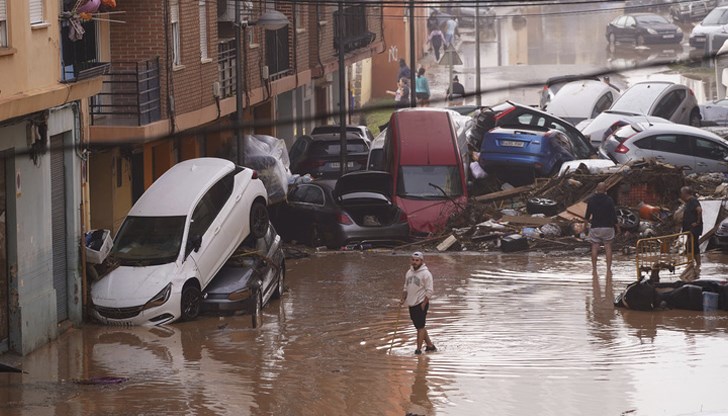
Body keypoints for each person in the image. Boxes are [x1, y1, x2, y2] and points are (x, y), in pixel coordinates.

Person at [400, 251, 436, 355]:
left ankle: (418, 350)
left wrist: (424, 304)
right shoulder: (409, 272)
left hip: (421, 303)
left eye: (417, 260)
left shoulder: (426, 274)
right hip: (411, 303)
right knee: (420, 326)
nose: (414, 262)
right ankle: (430, 346)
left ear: (421, 261)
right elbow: (405, 288)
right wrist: (403, 299)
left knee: (420, 327)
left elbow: (430, 290)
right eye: (413, 260)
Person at [585, 182, 619, 277]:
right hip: (608, 227)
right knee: (608, 247)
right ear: (605, 189)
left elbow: (587, 216)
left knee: (594, 247)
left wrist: (584, 227)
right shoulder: (609, 200)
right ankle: (608, 269)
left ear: (597, 188)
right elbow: (613, 215)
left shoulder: (591, 200)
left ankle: (594, 269)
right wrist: (618, 227)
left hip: (595, 227)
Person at [680, 186, 703, 266]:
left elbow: (699, 210)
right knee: (693, 246)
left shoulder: (693, 201)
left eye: (681, 194)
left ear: (685, 193)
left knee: (690, 246)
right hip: (690, 229)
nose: (681, 196)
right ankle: (696, 264)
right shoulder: (689, 202)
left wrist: (697, 222)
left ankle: (691, 264)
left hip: (694, 229)